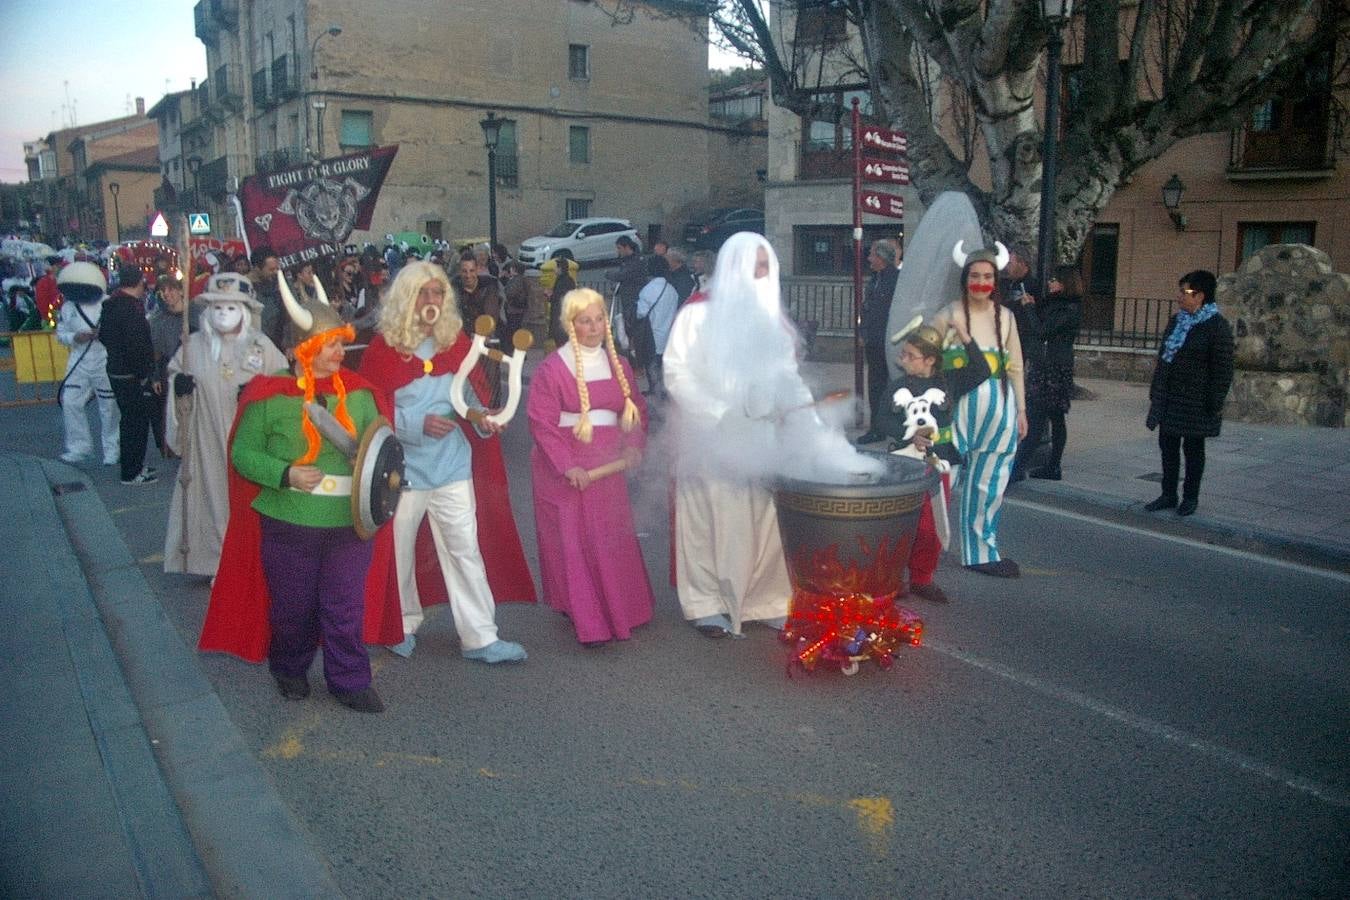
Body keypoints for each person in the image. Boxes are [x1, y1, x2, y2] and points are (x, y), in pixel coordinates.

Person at [199, 271, 396, 713]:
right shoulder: (268, 396)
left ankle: (349, 680)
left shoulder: (362, 396)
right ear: (297, 352)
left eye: (341, 345)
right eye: (329, 346)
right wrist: (286, 473)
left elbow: (384, 452)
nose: (340, 354)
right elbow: (243, 455)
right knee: (295, 607)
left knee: (343, 606)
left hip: (349, 521)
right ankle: (289, 668)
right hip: (289, 522)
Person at [359, 261, 532, 663]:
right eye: (423, 292)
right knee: (398, 551)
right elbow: (369, 412)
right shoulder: (384, 349)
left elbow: (472, 399)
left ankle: (480, 636)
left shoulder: (455, 343)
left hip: (452, 465)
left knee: (464, 549)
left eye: (438, 293)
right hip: (400, 471)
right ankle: (399, 624)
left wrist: (487, 423)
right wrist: (415, 424)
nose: (432, 300)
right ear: (407, 297)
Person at [663, 232, 813, 637]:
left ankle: (764, 600)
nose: (761, 275)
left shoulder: (773, 323)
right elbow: (677, 370)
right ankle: (706, 601)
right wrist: (718, 414)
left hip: (762, 439)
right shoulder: (697, 313)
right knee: (712, 521)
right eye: (754, 266)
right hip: (711, 439)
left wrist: (812, 423)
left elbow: (788, 377)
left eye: (767, 267)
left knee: (766, 521)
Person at [527, 287, 654, 645]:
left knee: (610, 539)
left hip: (607, 468)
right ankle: (587, 617)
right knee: (574, 542)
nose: (595, 327)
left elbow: (636, 412)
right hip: (568, 472)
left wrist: (633, 447)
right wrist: (567, 467)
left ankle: (622, 609)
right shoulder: (553, 369)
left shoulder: (621, 365)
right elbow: (542, 423)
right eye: (586, 321)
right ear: (572, 325)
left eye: (599, 319)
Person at [163, 273, 286, 576]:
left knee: (248, 502)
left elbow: (285, 386)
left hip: (248, 439)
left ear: (244, 311)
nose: (223, 315)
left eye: (231, 308)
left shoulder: (262, 346)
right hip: (207, 441)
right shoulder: (191, 347)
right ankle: (217, 563)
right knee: (212, 497)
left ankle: (250, 562)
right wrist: (179, 389)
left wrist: (262, 394)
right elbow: (175, 381)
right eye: (217, 308)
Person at [874, 320, 989, 604]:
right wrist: (909, 435)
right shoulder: (898, 386)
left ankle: (922, 578)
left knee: (931, 524)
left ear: (929, 360)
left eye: (910, 355)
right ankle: (894, 576)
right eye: (904, 354)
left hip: (940, 461)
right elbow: (882, 419)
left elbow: (982, 370)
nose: (903, 360)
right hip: (906, 462)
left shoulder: (948, 382)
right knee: (901, 523)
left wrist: (964, 334)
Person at [930, 242, 1027, 577]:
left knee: (990, 482)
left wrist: (1022, 412)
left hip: (1000, 411)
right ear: (965, 278)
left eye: (988, 276)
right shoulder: (947, 314)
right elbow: (924, 358)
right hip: (955, 411)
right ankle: (921, 550)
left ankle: (980, 553)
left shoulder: (1008, 318)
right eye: (975, 275)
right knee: (942, 475)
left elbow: (1015, 367)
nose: (981, 282)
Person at [1144, 270, 1235, 517]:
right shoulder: (1177, 322)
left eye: (1185, 292)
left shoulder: (1217, 327)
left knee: (1193, 450)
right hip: (1171, 398)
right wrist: (1157, 391)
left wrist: (1214, 402)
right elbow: (1164, 359)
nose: (1180, 297)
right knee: (1168, 446)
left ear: (1201, 296)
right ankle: (1168, 493)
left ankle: (1190, 497)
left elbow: (1223, 369)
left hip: (1197, 401)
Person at [1013, 265, 1084, 481]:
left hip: (1053, 368)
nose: (1050, 282)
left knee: (1041, 416)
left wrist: (1029, 309)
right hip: (1046, 365)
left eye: (1054, 279)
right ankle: (1050, 466)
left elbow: (1042, 330)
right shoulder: (1055, 304)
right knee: (1050, 416)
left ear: (1064, 282)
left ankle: (1024, 468)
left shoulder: (1068, 308)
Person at [54, 261, 119, 466]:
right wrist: (75, 337)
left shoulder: (108, 303)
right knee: (71, 401)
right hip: (79, 360)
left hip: (104, 359)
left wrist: (105, 334)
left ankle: (112, 450)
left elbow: (120, 329)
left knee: (108, 407)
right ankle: (79, 447)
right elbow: (61, 334)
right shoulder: (67, 308)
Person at [99, 265, 160, 485]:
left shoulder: (110, 305)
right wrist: (144, 373)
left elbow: (103, 336)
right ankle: (132, 471)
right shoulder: (131, 309)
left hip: (115, 369)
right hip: (131, 375)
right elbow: (137, 345)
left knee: (128, 421)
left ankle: (132, 465)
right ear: (139, 282)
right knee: (136, 423)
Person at [856, 239, 902, 444]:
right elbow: (867, 309)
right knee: (875, 386)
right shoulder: (875, 279)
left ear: (882, 258)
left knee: (891, 387)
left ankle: (894, 427)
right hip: (874, 341)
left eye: (872, 254)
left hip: (889, 342)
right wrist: (862, 332)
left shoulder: (896, 280)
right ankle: (877, 428)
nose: (869, 258)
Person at [146, 276, 193, 459]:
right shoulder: (157, 319)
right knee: (172, 411)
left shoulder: (194, 313)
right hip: (169, 368)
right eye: (162, 291)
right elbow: (155, 352)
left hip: (192, 366)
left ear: (180, 290)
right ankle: (176, 448)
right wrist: (155, 376)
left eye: (171, 289)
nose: (167, 294)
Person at [248, 247, 284, 351]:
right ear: (256, 268)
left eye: (277, 268)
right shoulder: (244, 288)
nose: (276, 272)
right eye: (271, 269)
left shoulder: (276, 283)